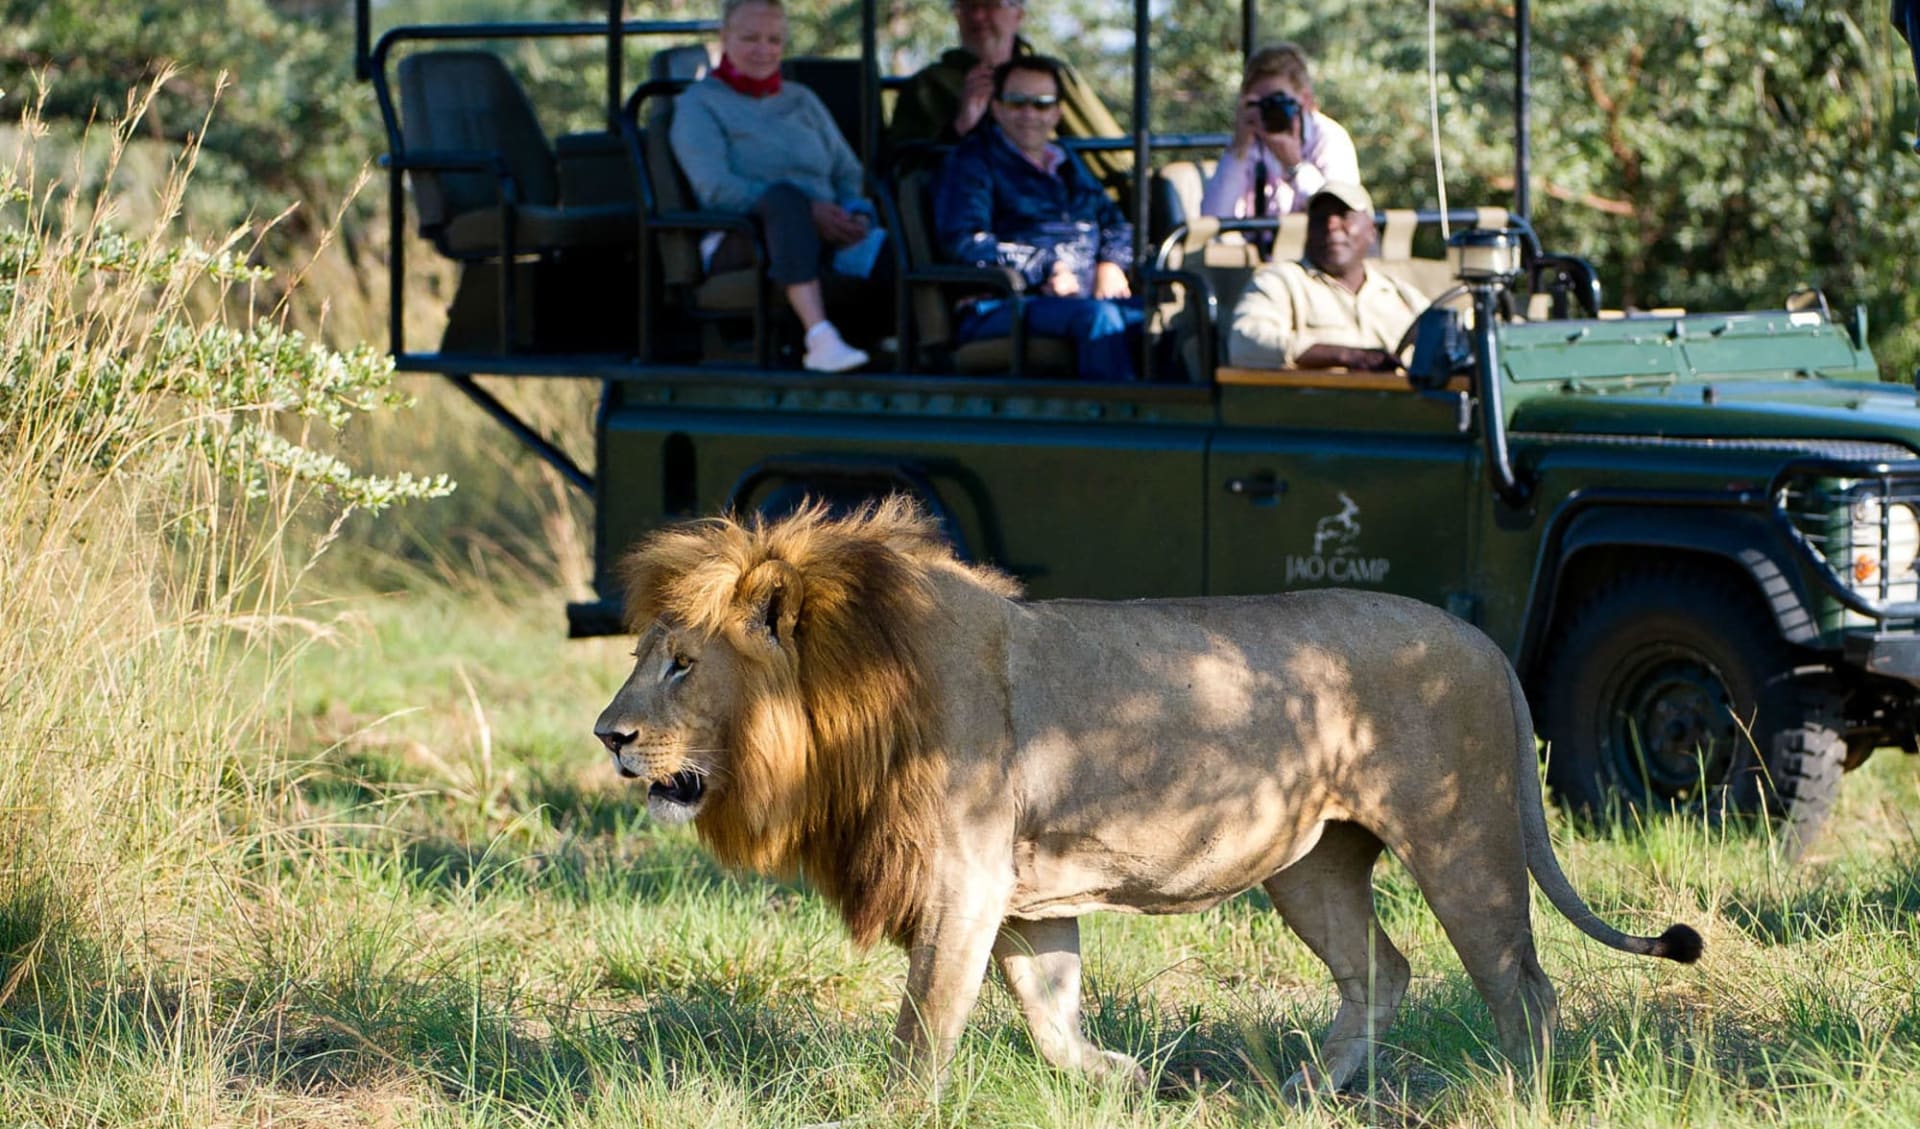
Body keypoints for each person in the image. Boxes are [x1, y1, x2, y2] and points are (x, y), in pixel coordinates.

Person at [669, 0, 884, 372]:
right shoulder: (699, 104)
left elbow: (848, 171)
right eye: (750, 38)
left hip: (827, 226)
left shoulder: (801, 99)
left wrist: (856, 212)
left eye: (774, 40)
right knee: (785, 200)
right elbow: (716, 189)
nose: (763, 50)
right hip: (746, 233)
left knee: (897, 233)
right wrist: (808, 211)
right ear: (725, 37)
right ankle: (819, 336)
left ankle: (926, 341)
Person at [934, 56, 1144, 381]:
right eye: (1016, 103)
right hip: (1002, 303)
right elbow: (964, 242)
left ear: (1057, 112)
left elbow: (1115, 222)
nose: (1029, 114)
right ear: (997, 107)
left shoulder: (1068, 164)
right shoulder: (972, 162)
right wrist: (1046, 267)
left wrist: (1112, 264)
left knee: (1163, 318)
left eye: (1042, 104)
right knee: (1099, 319)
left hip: (1082, 295)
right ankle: (1113, 425)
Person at [887, 0, 1130, 186]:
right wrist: (958, 128)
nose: (978, 16)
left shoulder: (1056, 77)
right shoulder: (928, 86)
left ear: (1018, 14)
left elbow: (1113, 156)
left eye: (991, 4)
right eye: (967, 5)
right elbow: (902, 173)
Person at [1227, 181, 1429, 372]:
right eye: (1319, 218)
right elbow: (1245, 343)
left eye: (1344, 215)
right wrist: (1344, 356)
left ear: (1371, 231)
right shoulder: (1281, 282)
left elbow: (1446, 343)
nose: (1331, 225)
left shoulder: (1401, 294)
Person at [1199, 44, 1360, 224]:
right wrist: (1238, 150)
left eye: (1278, 101)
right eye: (1260, 103)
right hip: (1257, 247)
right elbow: (1213, 221)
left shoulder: (1328, 138)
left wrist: (1295, 167)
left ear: (1305, 100)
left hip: (1311, 248)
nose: (1269, 112)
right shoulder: (1248, 140)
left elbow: (1340, 216)